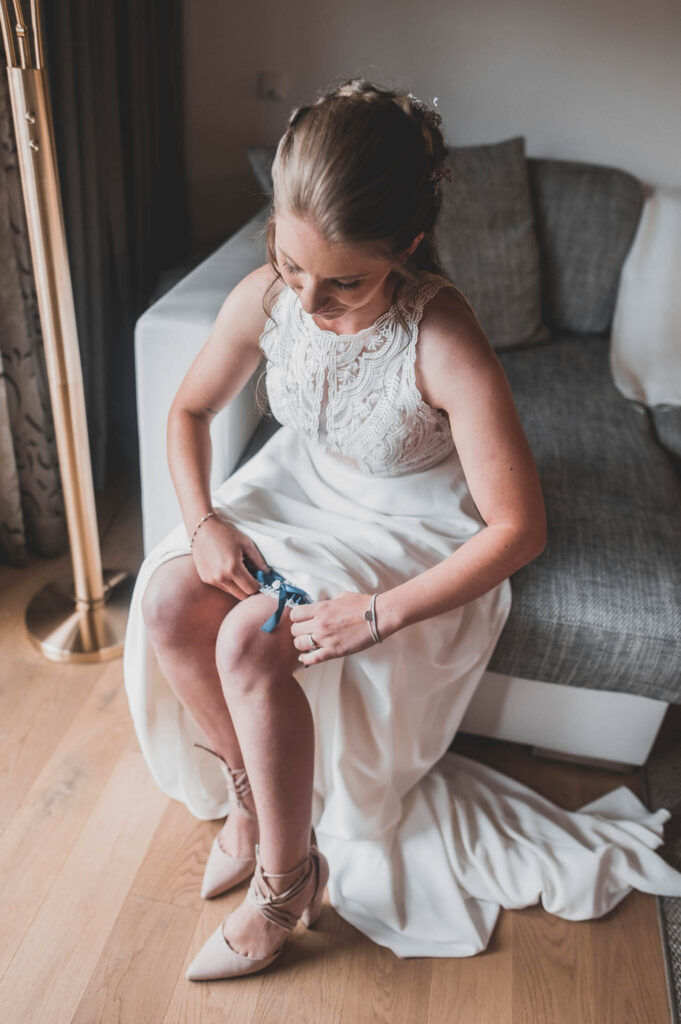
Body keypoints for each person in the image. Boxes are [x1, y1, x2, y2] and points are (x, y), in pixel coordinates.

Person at [123, 78, 681, 981]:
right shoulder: (269, 296)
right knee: (164, 604)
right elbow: (188, 411)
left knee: (248, 641)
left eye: (343, 281)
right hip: (297, 484)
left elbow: (519, 529)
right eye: (292, 264)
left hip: (408, 520)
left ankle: (286, 883)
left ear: (406, 246)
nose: (309, 302)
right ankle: (251, 803)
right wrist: (204, 519)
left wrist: (376, 614)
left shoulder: (442, 336)